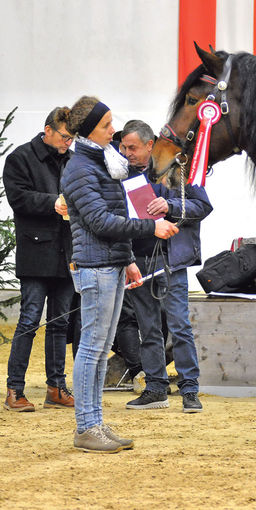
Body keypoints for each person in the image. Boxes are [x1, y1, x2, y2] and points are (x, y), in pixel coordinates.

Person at [60, 97, 179, 453]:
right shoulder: (81, 168)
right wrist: (150, 227)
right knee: (92, 349)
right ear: (89, 131)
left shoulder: (102, 163)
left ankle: (93, 421)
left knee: (97, 350)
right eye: (106, 126)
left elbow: (112, 216)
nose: (114, 131)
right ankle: (85, 425)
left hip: (109, 263)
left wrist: (127, 258)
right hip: (94, 267)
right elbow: (99, 221)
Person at [119, 120, 213, 413]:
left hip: (171, 259)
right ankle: (156, 388)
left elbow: (203, 207)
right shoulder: (121, 176)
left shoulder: (180, 169)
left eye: (132, 147)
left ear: (150, 145)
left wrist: (169, 207)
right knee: (147, 328)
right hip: (138, 259)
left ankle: (189, 389)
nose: (126, 153)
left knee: (179, 325)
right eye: (123, 147)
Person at [3, 107, 77, 412]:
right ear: (47, 130)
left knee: (61, 323)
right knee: (29, 320)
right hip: (36, 253)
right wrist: (54, 203)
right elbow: (18, 198)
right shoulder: (20, 158)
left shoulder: (73, 161)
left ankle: (55, 387)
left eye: (72, 138)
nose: (68, 142)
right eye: (63, 136)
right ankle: (14, 390)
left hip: (67, 252)